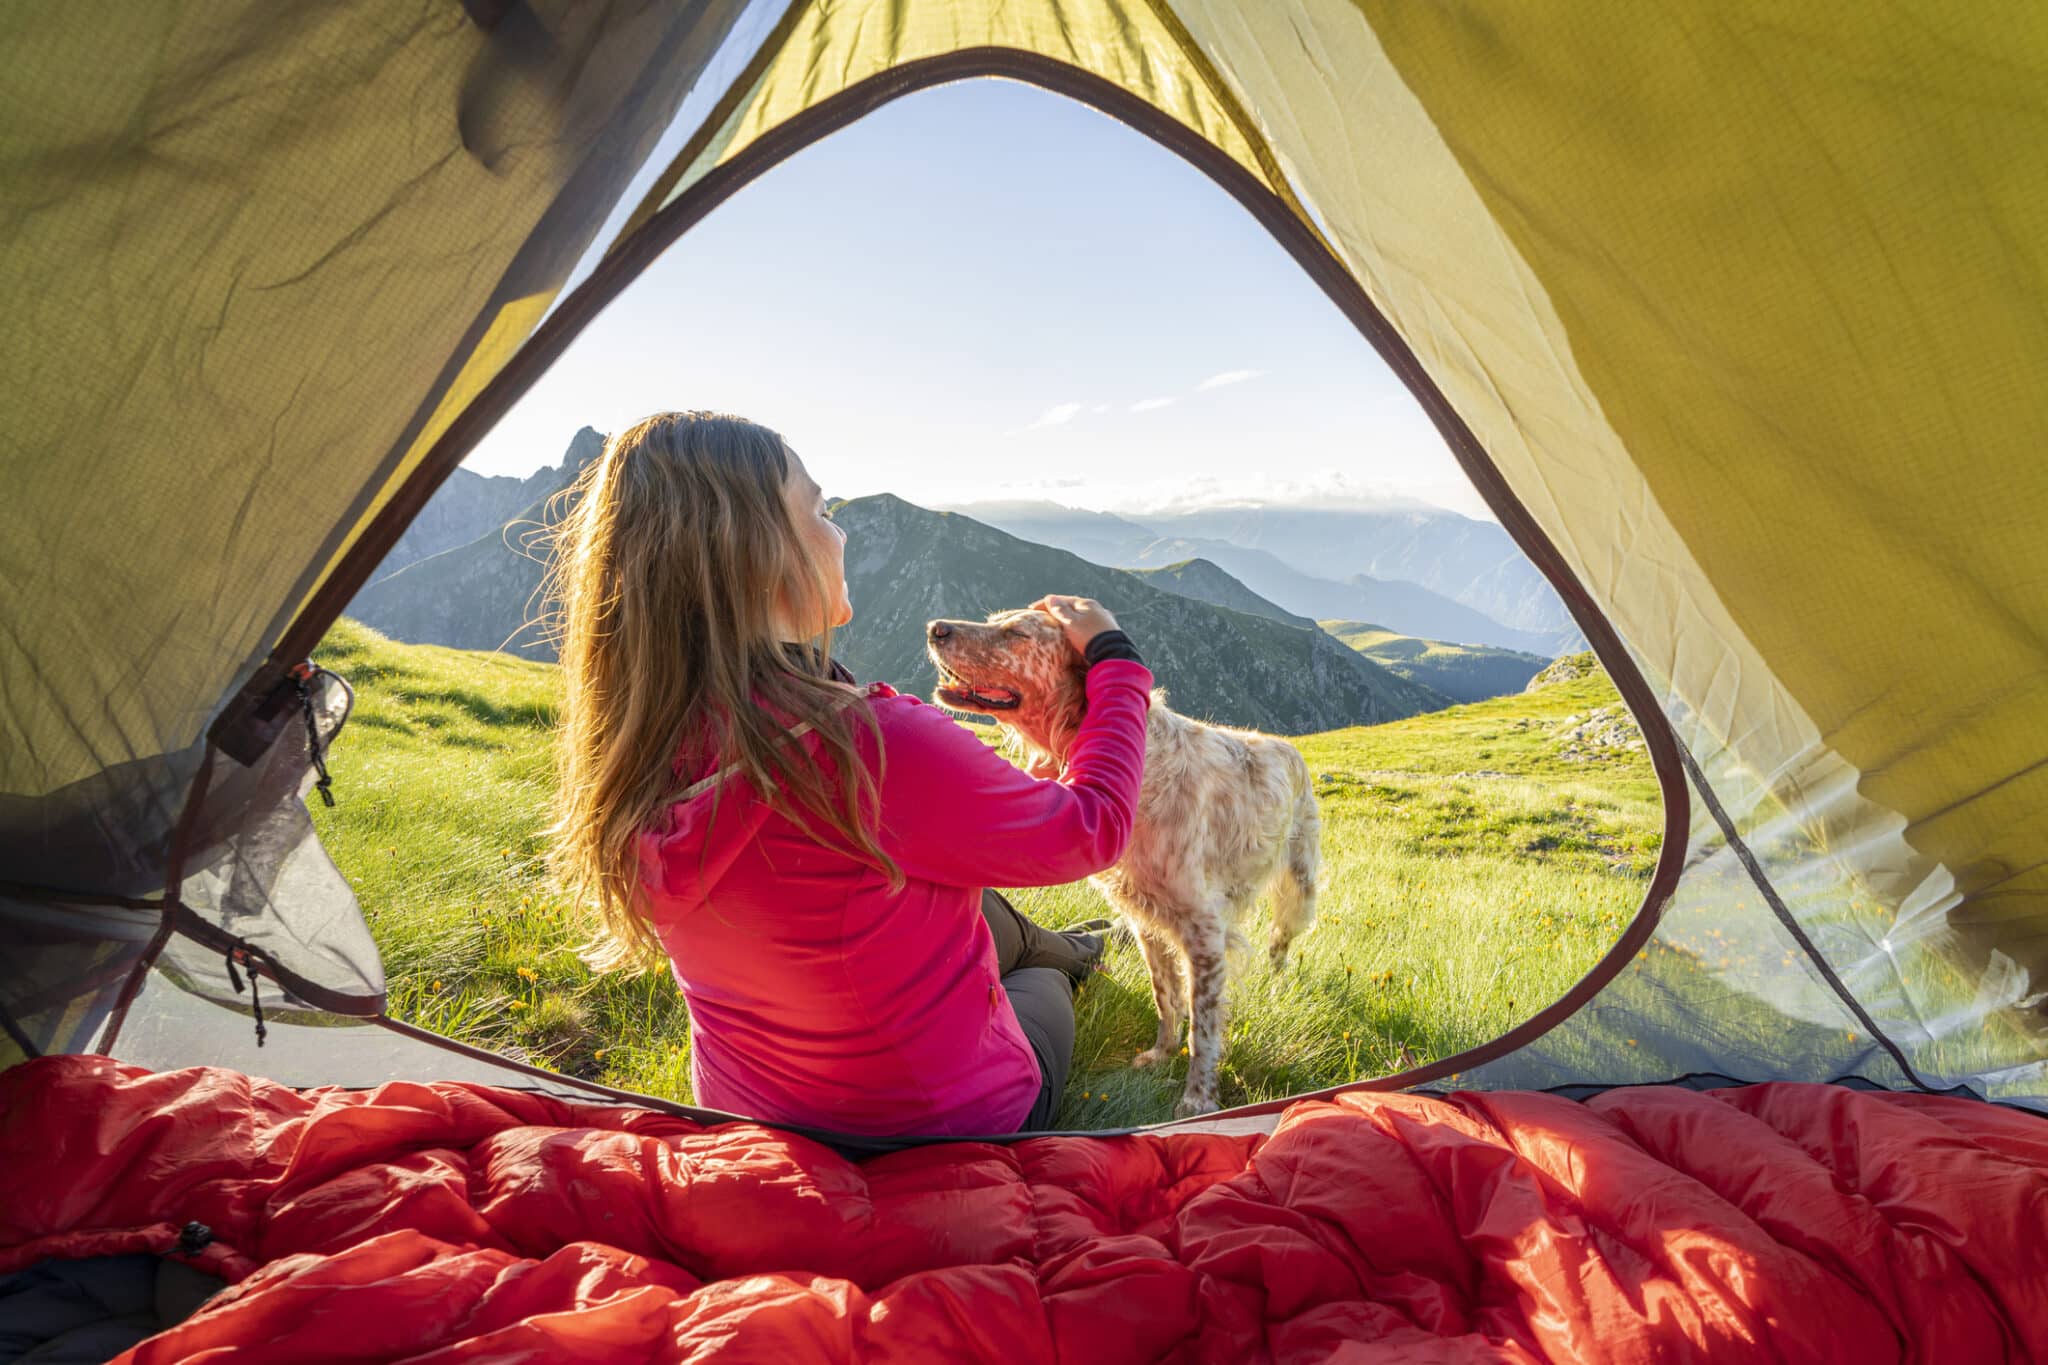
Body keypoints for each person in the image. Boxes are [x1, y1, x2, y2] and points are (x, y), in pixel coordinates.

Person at [545, 411, 1153, 1136]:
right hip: (945, 1118)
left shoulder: (636, 744)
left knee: (970, 891)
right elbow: (1092, 829)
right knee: (1038, 981)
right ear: (758, 555)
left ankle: (1073, 941)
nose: (840, 533)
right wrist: (1115, 658)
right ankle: (1070, 958)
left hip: (751, 1109)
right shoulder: (870, 747)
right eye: (822, 511)